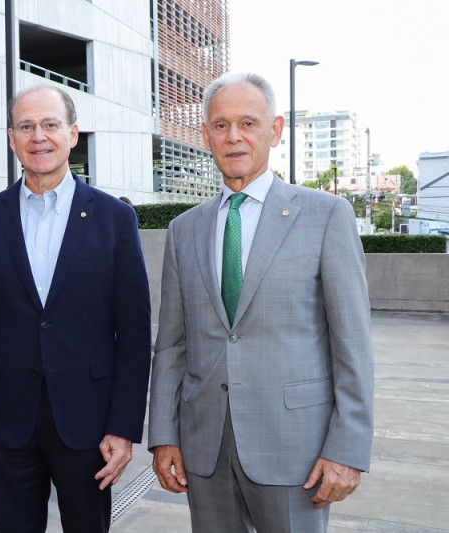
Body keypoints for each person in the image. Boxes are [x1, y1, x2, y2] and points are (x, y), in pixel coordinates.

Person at [148, 72, 374, 532]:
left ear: (275, 130)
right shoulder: (184, 229)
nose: (234, 137)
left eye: (248, 123)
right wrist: (164, 436)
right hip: (204, 446)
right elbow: (171, 344)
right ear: (206, 134)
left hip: (295, 449)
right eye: (220, 124)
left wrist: (347, 448)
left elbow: (352, 344)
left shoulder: (325, 216)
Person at [0, 85, 151, 532]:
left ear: (73, 133)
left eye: (50, 124)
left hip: (89, 423)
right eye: (26, 126)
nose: (39, 136)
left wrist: (124, 426)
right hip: (5, 424)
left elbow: (134, 332)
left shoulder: (114, 219)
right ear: (12, 138)